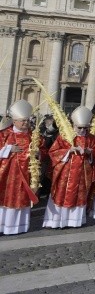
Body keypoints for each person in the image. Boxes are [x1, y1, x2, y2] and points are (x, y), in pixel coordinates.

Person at [43, 106, 95, 229]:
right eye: (80, 127)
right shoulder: (64, 136)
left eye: (85, 128)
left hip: (83, 173)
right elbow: (53, 152)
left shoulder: (91, 138)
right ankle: (57, 222)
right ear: (73, 125)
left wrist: (90, 152)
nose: (82, 130)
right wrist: (68, 151)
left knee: (79, 195)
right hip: (65, 172)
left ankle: (75, 221)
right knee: (61, 195)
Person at [0, 100, 38, 234]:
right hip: (8, 174)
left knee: (22, 198)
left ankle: (19, 227)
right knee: (6, 198)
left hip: (26, 174)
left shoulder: (33, 135)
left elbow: (43, 150)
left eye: (27, 120)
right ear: (14, 121)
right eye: (22, 121)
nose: (25, 123)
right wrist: (8, 149)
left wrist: (38, 153)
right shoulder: (4, 134)